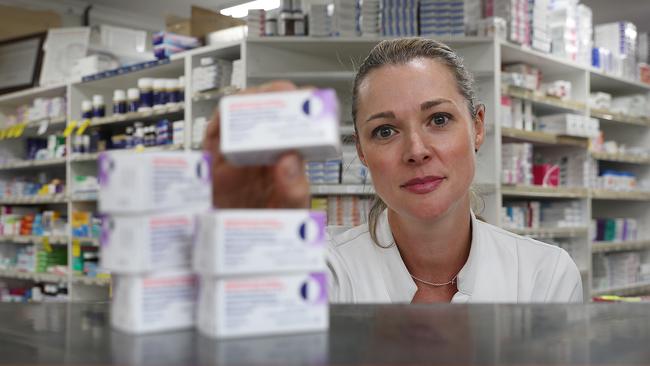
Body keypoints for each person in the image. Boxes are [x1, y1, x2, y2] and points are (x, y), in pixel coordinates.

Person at [204, 37, 583, 303]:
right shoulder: (322, 269)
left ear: (478, 127)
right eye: (385, 131)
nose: (416, 151)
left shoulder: (543, 275)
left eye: (438, 119)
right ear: (362, 151)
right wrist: (250, 244)